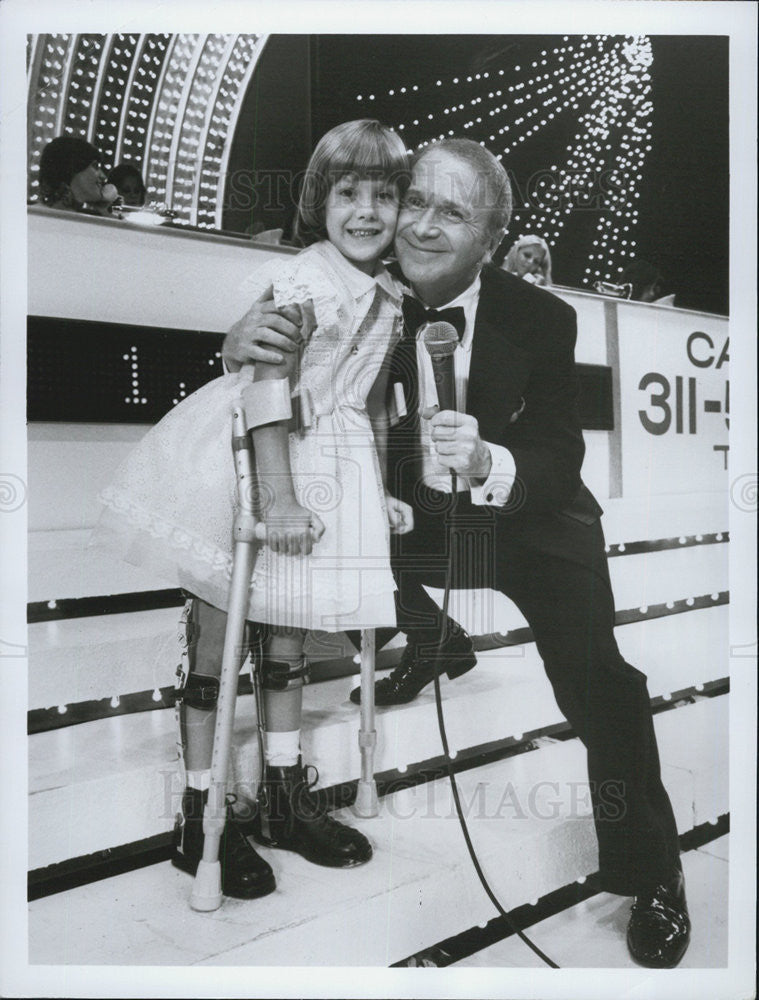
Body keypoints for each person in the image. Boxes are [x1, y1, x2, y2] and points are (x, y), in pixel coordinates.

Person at [227, 137, 691, 968]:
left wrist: (487, 460)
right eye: (417, 202)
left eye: (454, 212)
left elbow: (558, 453)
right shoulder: (361, 289)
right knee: (348, 543)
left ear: (492, 239)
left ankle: (651, 871)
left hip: (536, 522)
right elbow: (282, 365)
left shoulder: (542, 316)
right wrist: (243, 338)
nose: (423, 225)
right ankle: (437, 638)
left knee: (600, 682)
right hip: (416, 519)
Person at [96, 120, 413, 899]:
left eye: (384, 194)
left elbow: (365, 401)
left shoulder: (387, 292)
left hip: (320, 470)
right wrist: (276, 493)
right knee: (216, 648)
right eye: (348, 193)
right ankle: (199, 813)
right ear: (320, 200)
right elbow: (270, 387)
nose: (366, 211)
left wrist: (379, 485)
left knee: (286, 647)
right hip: (248, 462)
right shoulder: (307, 277)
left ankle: (280, 796)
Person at [37, 136, 120, 216]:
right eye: (95, 167)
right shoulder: (34, 217)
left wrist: (105, 209)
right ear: (71, 169)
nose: (103, 176)